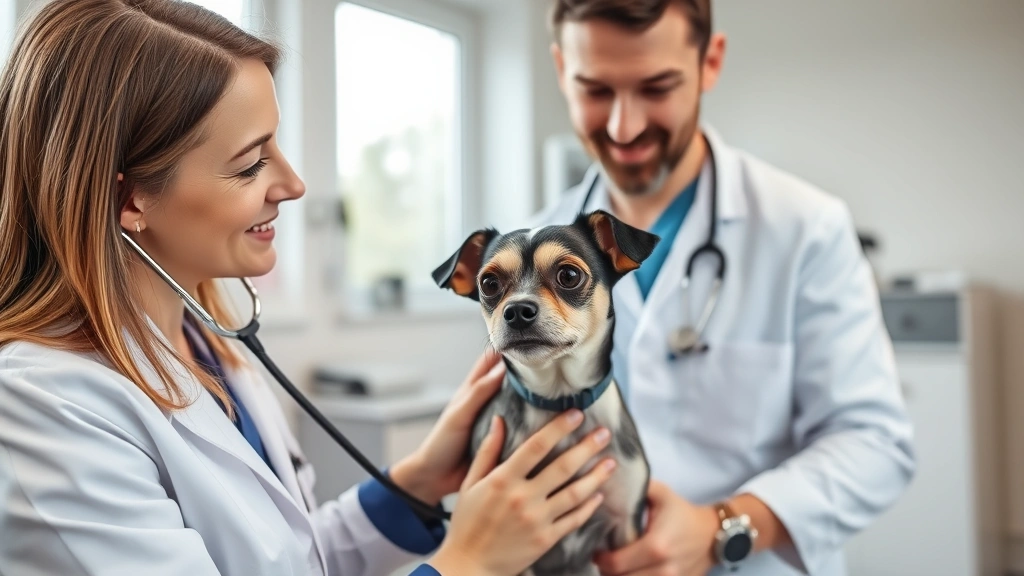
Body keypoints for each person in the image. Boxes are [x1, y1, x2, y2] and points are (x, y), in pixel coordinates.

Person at [0, 1, 618, 575]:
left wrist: (417, 481)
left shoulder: (210, 345)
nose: (294, 184)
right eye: (250, 163)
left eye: (278, 145)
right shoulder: (43, 409)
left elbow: (290, 558)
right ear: (128, 198)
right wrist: (467, 562)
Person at [533, 1, 917, 574]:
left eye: (657, 87)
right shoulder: (532, 246)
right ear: (563, 69)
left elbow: (874, 443)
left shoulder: (804, 227)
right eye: (595, 91)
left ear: (710, 62)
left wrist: (723, 527)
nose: (624, 127)